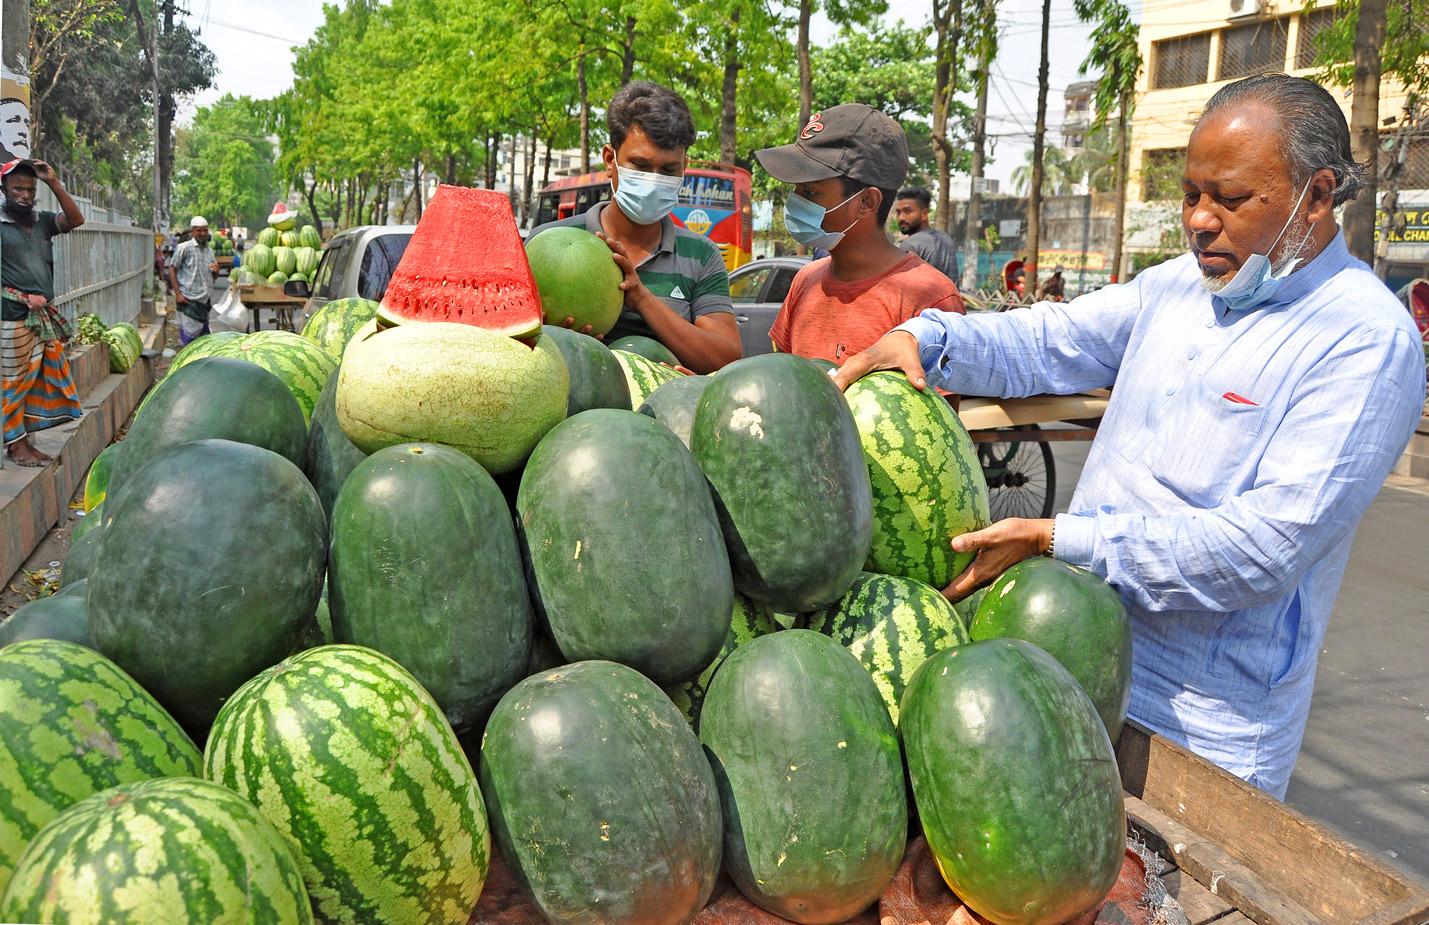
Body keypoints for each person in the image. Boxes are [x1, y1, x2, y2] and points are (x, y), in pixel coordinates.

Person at [833, 75, 1426, 799]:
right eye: (1189, 194)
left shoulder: (1363, 341)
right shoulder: (1178, 285)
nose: (1199, 221)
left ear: (1318, 193)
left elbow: (1262, 549)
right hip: (1069, 665)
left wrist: (1065, 539)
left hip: (1202, 723)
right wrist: (929, 339)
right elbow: (1052, 337)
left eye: (1230, 199)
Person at [526, 82, 740, 373]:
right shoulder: (546, 243)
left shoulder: (701, 255)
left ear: (684, 166)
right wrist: (549, 334)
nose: (654, 180)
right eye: (640, 165)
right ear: (609, 160)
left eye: (668, 170)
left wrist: (641, 298)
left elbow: (726, 359)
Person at [755, 105, 964, 365]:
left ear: (866, 201)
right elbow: (783, 382)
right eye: (795, 190)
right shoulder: (805, 281)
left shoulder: (930, 299)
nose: (794, 202)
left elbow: (939, 406)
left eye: (810, 193)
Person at [1, 158, 84, 467]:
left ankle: (21, 442)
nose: (24, 195)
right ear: (4, 189)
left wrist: (53, 182)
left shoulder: (42, 222)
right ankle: (17, 446)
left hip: (41, 316)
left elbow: (76, 220)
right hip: (10, 316)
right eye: (18, 188)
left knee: (35, 381)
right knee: (13, 383)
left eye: (30, 189)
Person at [167, 216, 219, 346]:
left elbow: (213, 277)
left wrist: (216, 271)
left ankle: (200, 365)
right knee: (189, 341)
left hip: (204, 302)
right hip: (188, 300)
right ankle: (187, 365)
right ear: (193, 231)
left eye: (205, 230)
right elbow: (172, 270)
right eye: (199, 230)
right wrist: (178, 294)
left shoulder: (209, 251)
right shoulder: (184, 248)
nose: (202, 233)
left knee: (203, 342)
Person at [894, 186, 957, 280]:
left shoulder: (910, 244)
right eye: (898, 212)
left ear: (924, 214)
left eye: (907, 211)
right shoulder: (946, 238)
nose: (901, 218)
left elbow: (903, 286)